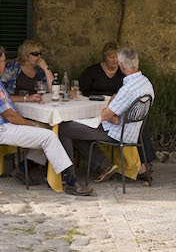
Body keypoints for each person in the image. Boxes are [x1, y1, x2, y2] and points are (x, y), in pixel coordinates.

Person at [0, 44, 93, 197]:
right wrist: (31, 126)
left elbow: (7, 103)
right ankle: (70, 181)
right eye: (3, 60)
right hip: (1, 129)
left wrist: (26, 103)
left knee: (47, 131)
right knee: (49, 136)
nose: (5, 63)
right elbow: (11, 116)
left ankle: (23, 169)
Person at [59, 47, 155, 183]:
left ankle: (68, 176)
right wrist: (115, 108)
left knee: (65, 128)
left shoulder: (127, 89)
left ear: (121, 65)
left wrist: (113, 104)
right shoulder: (146, 82)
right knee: (76, 129)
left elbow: (104, 115)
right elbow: (117, 110)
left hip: (117, 133)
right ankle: (103, 165)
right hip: (131, 131)